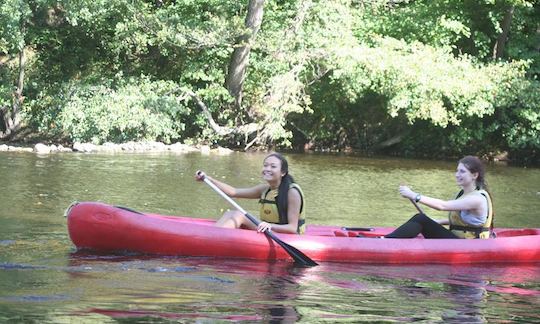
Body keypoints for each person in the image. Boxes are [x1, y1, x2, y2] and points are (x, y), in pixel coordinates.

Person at [385, 155, 494, 239]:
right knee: (421, 219)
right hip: (458, 240)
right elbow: (465, 221)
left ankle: (387, 242)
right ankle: (390, 240)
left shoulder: (477, 199)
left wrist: (414, 195)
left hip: (469, 244)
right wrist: (439, 221)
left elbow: (442, 206)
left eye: (462, 171)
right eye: (457, 171)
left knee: (421, 219)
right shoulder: (462, 193)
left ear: (474, 175)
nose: (457, 174)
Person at [195, 152, 306, 234]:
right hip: (268, 229)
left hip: (288, 236)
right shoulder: (265, 189)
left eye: (273, 166)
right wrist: (209, 179)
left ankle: (209, 238)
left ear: (283, 172)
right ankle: (212, 235)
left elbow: (292, 228)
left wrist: (269, 226)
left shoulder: (292, 192)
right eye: (265, 165)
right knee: (231, 213)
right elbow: (233, 192)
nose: (267, 169)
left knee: (238, 215)